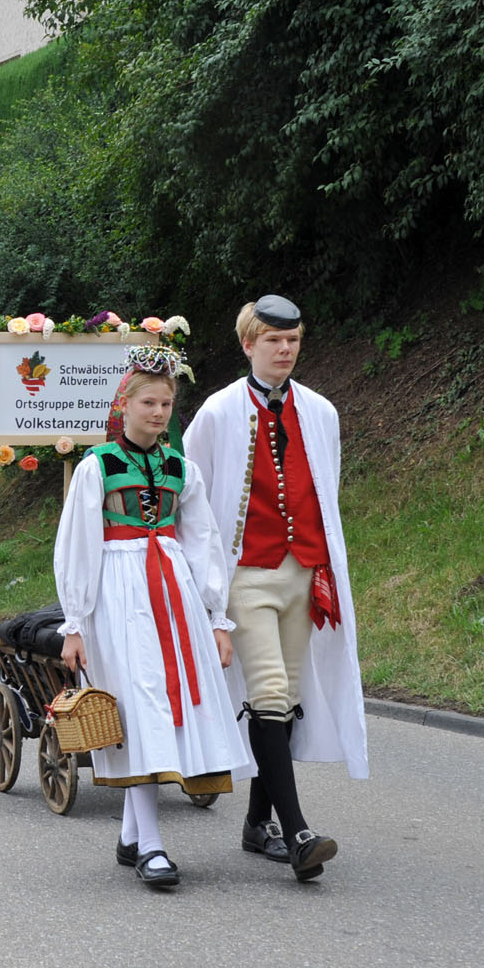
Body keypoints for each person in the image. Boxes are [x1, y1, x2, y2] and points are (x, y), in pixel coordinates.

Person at [184, 295, 366, 882]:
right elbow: (194, 498)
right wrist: (206, 584)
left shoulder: (320, 412)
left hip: (302, 571)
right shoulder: (217, 412)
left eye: (292, 341)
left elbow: (326, 489)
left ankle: (255, 823)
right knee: (266, 691)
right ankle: (298, 833)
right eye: (273, 341)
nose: (285, 350)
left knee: (286, 697)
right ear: (249, 345)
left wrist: (321, 567)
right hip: (246, 574)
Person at [54, 345, 248, 889]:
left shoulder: (181, 468)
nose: (158, 412)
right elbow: (78, 545)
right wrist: (75, 622)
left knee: (164, 706)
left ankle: (134, 836)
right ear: (125, 405)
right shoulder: (97, 467)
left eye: (165, 404)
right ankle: (152, 845)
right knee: (139, 708)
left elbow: (204, 540)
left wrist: (216, 616)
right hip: (118, 593)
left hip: (172, 591)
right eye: (148, 403)